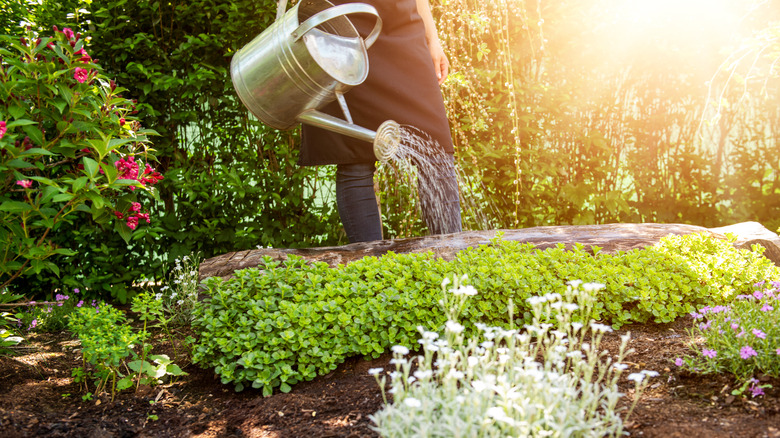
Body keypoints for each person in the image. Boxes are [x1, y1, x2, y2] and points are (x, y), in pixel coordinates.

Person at [300, 0, 462, 243]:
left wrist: (433, 39)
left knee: (435, 151)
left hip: (403, 26)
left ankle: (451, 255)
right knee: (354, 155)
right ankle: (370, 266)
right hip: (343, 26)